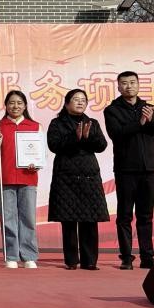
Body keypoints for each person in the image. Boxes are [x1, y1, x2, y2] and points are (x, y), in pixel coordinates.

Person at [104, 71, 154, 270]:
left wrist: (150, 120)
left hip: (147, 168)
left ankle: (147, 256)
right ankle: (126, 257)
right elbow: (116, 134)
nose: (129, 86)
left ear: (139, 85)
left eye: (132, 82)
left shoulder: (148, 108)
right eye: (124, 83)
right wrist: (139, 123)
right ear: (118, 87)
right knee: (124, 215)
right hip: (125, 169)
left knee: (145, 215)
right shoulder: (112, 110)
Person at [47, 88, 110, 270]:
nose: (80, 102)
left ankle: (89, 261)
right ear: (67, 104)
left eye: (83, 99)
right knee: (68, 219)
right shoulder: (57, 123)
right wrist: (75, 137)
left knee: (89, 219)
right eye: (76, 99)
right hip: (66, 177)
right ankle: (72, 260)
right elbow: (54, 145)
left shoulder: (92, 123)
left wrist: (88, 137)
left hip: (89, 176)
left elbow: (102, 145)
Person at [0, 90, 41, 269]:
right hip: (4, 178)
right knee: (8, 219)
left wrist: (37, 163)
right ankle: (11, 256)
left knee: (28, 218)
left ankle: (29, 256)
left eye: (19, 103)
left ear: (25, 106)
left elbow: (41, 153)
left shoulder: (35, 126)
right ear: (6, 106)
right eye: (11, 103)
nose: (15, 106)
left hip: (28, 178)